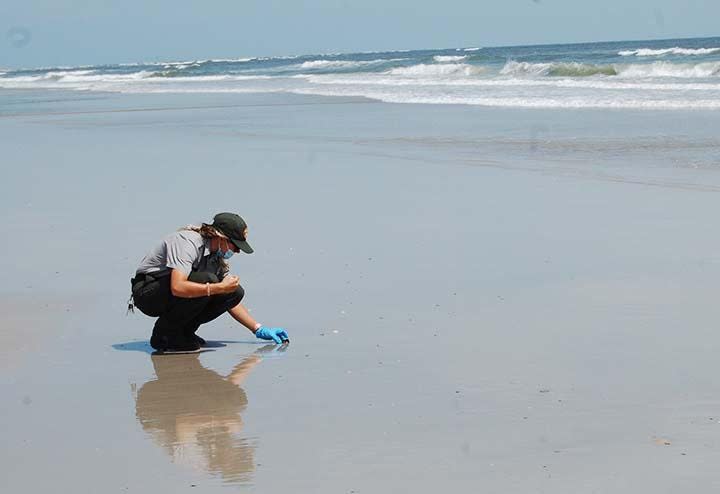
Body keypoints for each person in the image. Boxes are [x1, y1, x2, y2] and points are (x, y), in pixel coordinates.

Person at [130, 212, 289, 352]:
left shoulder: (216, 257)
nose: (237, 251)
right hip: (148, 293)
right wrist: (218, 287)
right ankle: (164, 335)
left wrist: (258, 329)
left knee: (234, 291)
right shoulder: (187, 242)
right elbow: (177, 287)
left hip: (174, 295)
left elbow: (227, 296)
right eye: (235, 245)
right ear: (220, 237)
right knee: (209, 281)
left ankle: (184, 332)